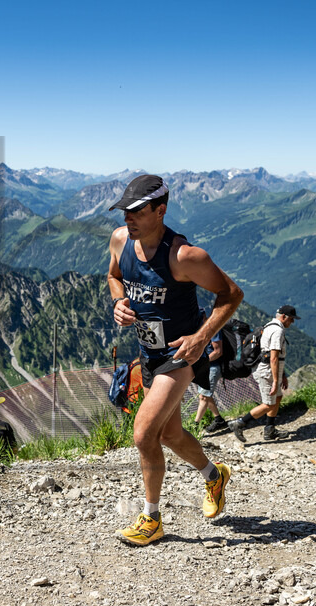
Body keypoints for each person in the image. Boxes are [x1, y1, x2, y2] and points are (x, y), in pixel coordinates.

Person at [107, 174, 244, 546]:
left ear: (160, 210)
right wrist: (119, 301)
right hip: (148, 353)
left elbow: (231, 294)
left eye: (136, 212)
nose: (127, 219)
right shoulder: (121, 241)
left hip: (180, 355)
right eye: (125, 211)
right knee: (169, 433)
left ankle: (151, 518)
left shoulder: (184, 256)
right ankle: (214, 475)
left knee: (143, 433)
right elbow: (113, 277)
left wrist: (201, 338)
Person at [228, 306, 299, 442]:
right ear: (283, 317)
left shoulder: (269, 326)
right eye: (291, 319)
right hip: (267, 372)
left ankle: (270, 430)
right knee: (268, 404)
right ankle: (239, 423)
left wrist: (282, 375)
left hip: (270, 370)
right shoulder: (277, 331)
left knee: (277, 398)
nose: (292, 322)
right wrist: (276, 380)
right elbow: (273, 358)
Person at [193, 308, 229, 433]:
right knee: (205, 395)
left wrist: (203, 361)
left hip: (213, 368)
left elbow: (218, 351)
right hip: (206, 367)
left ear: (203, 318)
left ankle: (195, 425)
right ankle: (218, 419)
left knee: (203, 396)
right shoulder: (200, 330)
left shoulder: (213, 330)